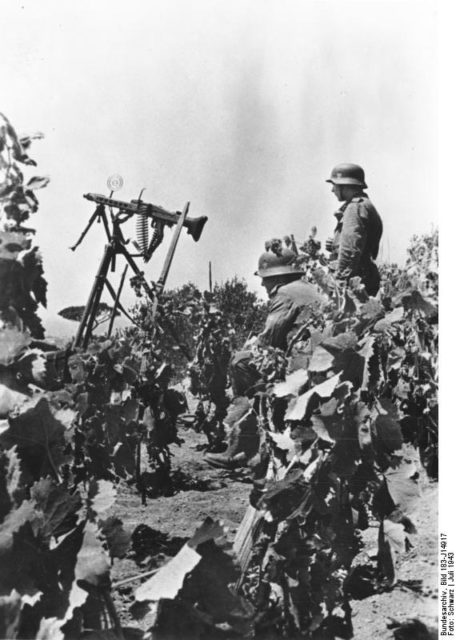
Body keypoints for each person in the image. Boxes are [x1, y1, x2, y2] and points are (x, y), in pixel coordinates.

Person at [205, 243, 325, 469]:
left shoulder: (284, 293)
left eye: (264, 277)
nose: (261, 283)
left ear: (276, 277)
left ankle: (243, 446)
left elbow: (269, 339)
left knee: (240, 362)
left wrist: (251, 346)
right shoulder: (306, 288)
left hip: (301, 365)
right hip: (317, 362)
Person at [325, 163, 383, 296]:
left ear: (344, 185)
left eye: (334, 185)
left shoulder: (354, 208)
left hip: (354, 281)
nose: (332, 190)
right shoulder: (364, 205)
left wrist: (339, 281)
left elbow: (350, 250)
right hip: (363, 276)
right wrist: (334, 244)